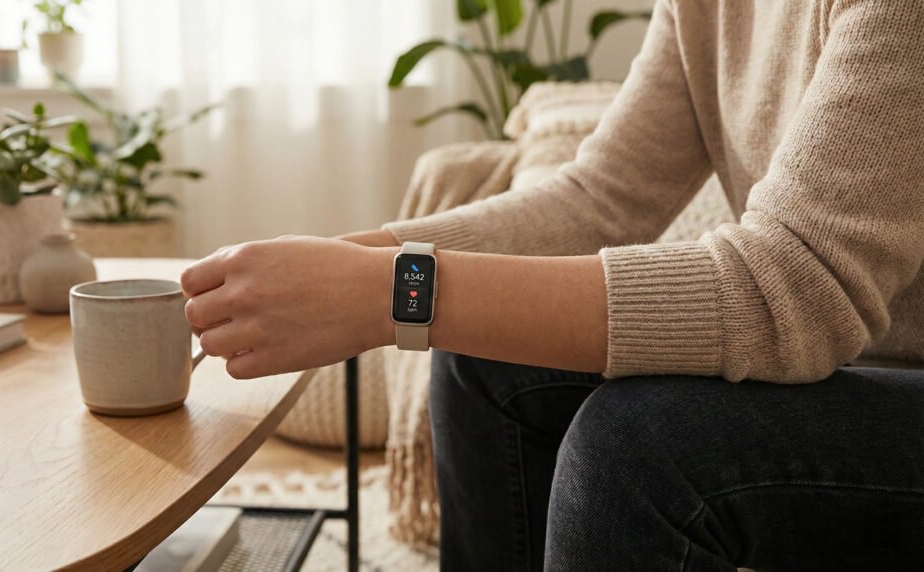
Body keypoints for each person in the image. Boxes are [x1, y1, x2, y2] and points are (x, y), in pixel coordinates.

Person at [180, 0, 924, 569]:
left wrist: (387, 291)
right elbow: (599, 199)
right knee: (483, 352)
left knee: (637, 447)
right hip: (846, 374)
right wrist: (333, 268)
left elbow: (788, 289)